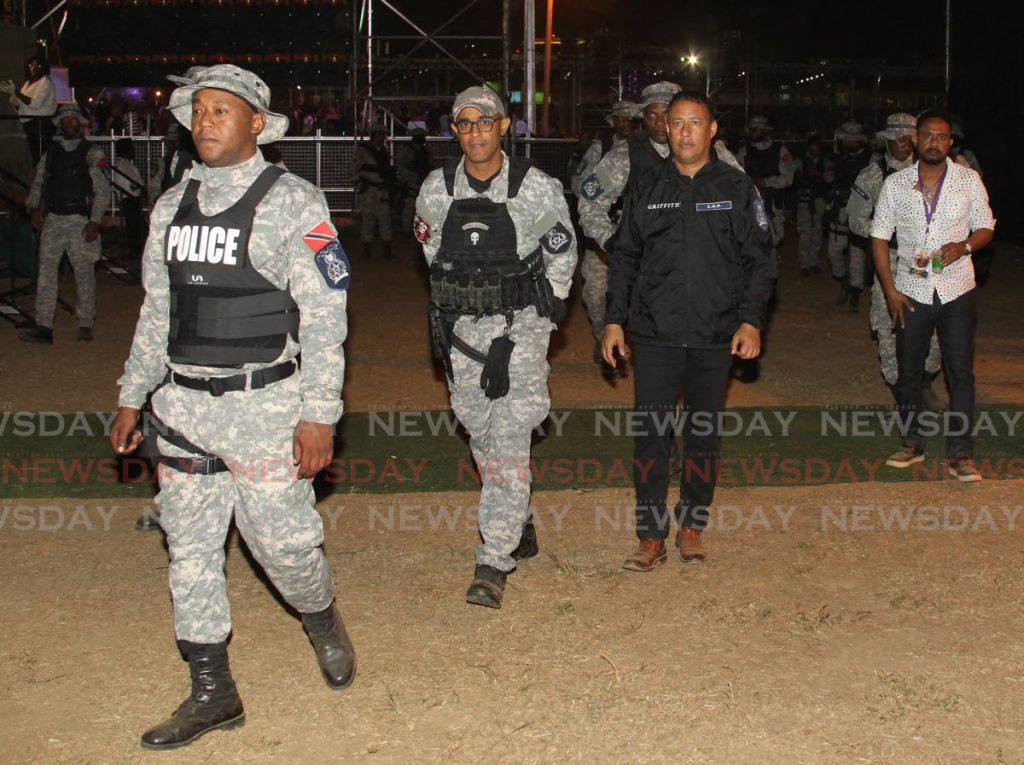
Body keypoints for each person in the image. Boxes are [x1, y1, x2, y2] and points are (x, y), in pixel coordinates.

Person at [108, 64, 356, 749]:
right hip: (183, 406)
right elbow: (157, 311)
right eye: (199, 110)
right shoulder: (170, 206)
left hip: (267, 405)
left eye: (223, 109)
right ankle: (214, 691)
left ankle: (321, 615)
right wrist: (132, 395)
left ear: (255, 123)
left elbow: (327, 314)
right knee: (189, 551)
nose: (207, 119)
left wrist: (319, 412)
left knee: (286, 549)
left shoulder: (296, 203)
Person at [414, 86, 577, 609]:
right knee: (479, 432)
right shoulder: (436, 189)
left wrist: (544, 315)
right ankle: (518, 516)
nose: (475, 133)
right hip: (462, 333)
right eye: (464, 124)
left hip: (519, 331)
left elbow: (561, 253)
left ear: (504, 126)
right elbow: (432, 256)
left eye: (485, 122)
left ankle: (494, 558)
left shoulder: (536, 187)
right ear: (455, 131)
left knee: (508, 437)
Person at [602, 91, 775, 570]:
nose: (683, 132)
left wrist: (750, 319)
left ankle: (693, 524)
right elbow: (625, 257)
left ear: (712, 129)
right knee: (652, 435)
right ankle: (650, 534)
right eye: (676, 123)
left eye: (694, 123)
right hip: (655, 331)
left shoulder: (737, 188)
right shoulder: (648, 185)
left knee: (702, 434)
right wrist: (614, 319)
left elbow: (759, 260)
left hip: (715, 332)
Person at [870, 109, 995, 481]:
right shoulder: (896, 185)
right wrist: (890, 291)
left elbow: (987, 225)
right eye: (928, 136)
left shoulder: (968, 181)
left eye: (941, 137)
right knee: (909, 371)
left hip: (957, 289)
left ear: (950, 142)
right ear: (915, 140)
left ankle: (960, 454)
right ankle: (912, 443)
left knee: (960, 372)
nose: (935, 143)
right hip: (911, 291)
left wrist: (967, 246)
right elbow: (877, 237)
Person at [578, 82, 680, 380]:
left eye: (668, 114)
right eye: (652, 115)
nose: (660, 123)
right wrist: (614, 242)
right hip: (640, 253)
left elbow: (746, 199)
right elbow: (589, 200)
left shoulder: (708, 149)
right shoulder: (626, 154)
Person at [847, 113, 942, 403]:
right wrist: (887, 231)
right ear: (886, 140)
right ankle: (898, 386)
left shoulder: (934, 171)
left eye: (909, 138)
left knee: (936, 319)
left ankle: (925, 379)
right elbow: (855, 219)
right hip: (888, 256)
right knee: (887, 320)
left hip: (926, 256)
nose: (904, 144)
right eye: (898, 138)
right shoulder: (872, 175)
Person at [19, 103, 110, 345]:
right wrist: (34, 207)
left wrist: (95, 221)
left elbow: (102, 191)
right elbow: (39, 182)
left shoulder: (91, 152)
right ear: (60, 124)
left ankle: (85, 321)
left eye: (74, 119)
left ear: (80, 124)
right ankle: (44, 324)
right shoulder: (51, 153)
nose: (69, 122)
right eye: (65, 119)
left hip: (80, 220)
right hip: (54, 220)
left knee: (84, 273)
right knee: (47, 273)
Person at [569, 100, 639, 377]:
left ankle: (634, 340)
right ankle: (603, 335)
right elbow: (580, 187)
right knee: (595, 293)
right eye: (619, 118)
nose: (625, 123)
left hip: (641, 237)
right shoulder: (602, 149)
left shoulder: (657, 150)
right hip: (603, 235)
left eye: (630, 118)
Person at [827, 121, 874, 310]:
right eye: (848, 140)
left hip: (862, 211)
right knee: (834, 251)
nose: (851, 143)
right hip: (840, 208)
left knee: (857, 253)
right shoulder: (838, 158)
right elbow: (830, 179)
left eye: (855, 140)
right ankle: (844, 281)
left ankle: (855, 290)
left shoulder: (872, 160)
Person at [736, 115, 795, 248]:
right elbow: (737, 177)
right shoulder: (744, 151)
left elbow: (789, 177)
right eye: (751, 129)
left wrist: (765, 182)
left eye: (757, 129)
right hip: (750, 201)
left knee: (775, 238)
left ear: (765, 131)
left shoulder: (780, 150)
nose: (753, 132)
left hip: (772, 203)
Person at [1, 56, 57, 165]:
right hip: (28, 123)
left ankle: (42, 179)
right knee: (34, 156)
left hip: (40, 124)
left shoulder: (45, 82)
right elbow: (18, 102)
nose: (34, 68)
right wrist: (12, 93)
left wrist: (16, 92)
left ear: (43, 68)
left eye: (38, 66)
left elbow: (35, 103)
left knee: (41, 156)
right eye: (31, 65)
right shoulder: (28, 83)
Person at [352, 124, 395, 258]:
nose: (383, 137)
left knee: (385, 219)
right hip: (369, 190)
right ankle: (367, 250)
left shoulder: (383, 151)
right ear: (375, 135)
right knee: (368, 219)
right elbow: (355, 168)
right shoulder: (363, 151)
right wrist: (358, 179)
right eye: (381, 134)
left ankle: (386, 249)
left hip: (382, 189)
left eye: (384, 135)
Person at [793, 133, 832, 275]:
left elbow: (830, 179)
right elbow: (793, 179)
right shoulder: (799, 162)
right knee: (805, 233)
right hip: (804, 200)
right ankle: (804, 264)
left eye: (817, 146)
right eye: (813, 145)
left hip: (819, 200)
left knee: (817, 232)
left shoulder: (824, 162)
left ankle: (813, 262)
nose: (815, 148)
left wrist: (819, 175)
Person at [395, 127, 434, 235]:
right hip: (411, 183)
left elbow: (430, 165)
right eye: (422, 136)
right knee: (408, 209)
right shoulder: (407, 151)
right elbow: (404, 166)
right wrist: (409, 180)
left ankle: (421, 232)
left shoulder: (426, 150)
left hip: (423, 183)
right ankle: (406, 231)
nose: (424, 138)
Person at [112, 138, 147, 258]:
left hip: (134, 199)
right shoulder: (121, 165)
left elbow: (137, 183)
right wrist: (137, 187)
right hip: (129, 199)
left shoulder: (128, 165)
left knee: (138, 226)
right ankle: (134, 250)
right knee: (133, 226)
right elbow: (129, 186)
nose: (134, 151)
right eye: (132, 149)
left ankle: (137, 249)